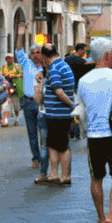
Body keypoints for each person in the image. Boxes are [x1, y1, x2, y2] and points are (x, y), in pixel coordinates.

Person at [77, 38, 112, 223]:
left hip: (93, 135)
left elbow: (81, 106)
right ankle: (111, 217)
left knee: (96, 177)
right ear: (108, 56)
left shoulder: (83, 81)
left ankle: (101, 219)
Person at [37, 43, 75, 186]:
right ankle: (53, 174)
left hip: (60, 114)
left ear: (45, 57)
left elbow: (59, 92)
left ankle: (65, 176)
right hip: (53, 114)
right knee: (52, 145)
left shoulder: (54, 69)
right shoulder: (63, 65)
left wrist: (71, 105)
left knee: (62, 146)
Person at [15, 29, 45, 170]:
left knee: (44, 133)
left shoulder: (47, 66)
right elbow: (18, 49)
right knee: (32, 132)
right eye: (32, 53)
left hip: (44, 104)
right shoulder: (26, 63)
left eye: (37, 52)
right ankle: (36, 158)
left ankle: (46, 158)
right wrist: (20, 34)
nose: (35, 55)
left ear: (42, 54)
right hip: (28, 102)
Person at [0, 53, 23, 127]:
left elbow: (21, 75)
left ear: (13, 59)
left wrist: (13, 76)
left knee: (16, 105)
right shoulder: (3, 67)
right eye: (7, 58)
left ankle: (17, 119)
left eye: (10, 58)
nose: (8, 60)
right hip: (6, 88)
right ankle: (5, 121)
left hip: (15, 87)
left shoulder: (17, 66)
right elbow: (0, 77)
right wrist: (4, 76)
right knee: (6, 105)